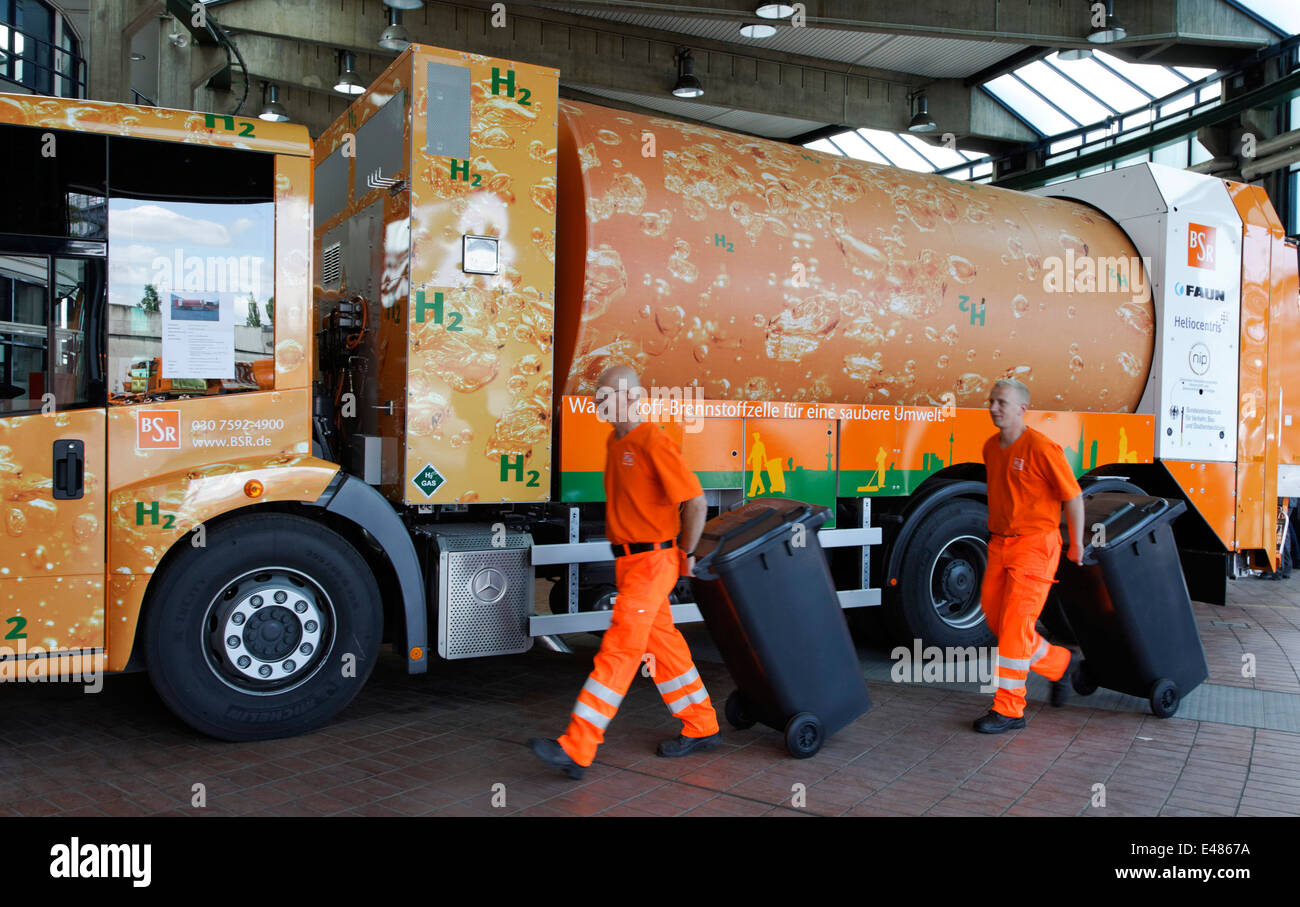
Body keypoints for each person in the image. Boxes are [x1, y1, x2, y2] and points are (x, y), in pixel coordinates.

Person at [530, 366, 721, 778]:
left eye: (608, 397)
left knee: (619, 649)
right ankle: (702, 724)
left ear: (633, 398)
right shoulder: (615, 442)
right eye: (598, 397)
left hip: (653, 563)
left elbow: (696, 502)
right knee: (664, 648)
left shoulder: (653, 441)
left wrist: (686, 552)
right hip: (633, 562)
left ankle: (577, 747)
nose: (600, 404)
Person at [975, 378, 1084, 733]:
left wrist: (1077, 543)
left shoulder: (1041, 447)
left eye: (1002, 402)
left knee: (1015, 627)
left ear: (1023, 408)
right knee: (996, 621)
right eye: (991, 401)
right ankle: (1060, 665)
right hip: (1000, 544)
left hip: (1036, 545)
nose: (994, 407)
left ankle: (1009, 709)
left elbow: (1072, 496)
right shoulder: (991, 447)